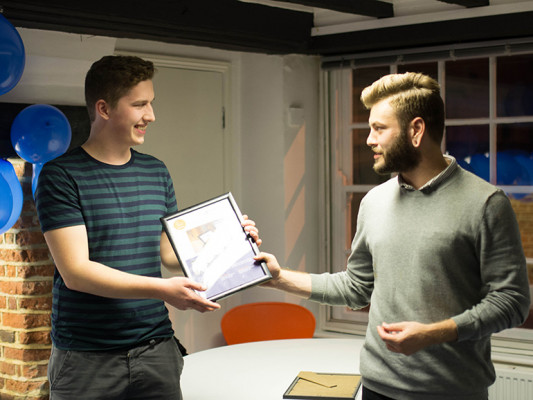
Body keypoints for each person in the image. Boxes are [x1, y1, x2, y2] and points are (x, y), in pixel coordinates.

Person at [256, 72, 531, 400]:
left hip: (452, 392)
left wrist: (434, 333)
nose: (369, 140)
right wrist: (277, 278)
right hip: (376, 388)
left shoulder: (486, 204)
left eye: (379, 128)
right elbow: (356, 288)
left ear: (416, 130)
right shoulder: (373, 202)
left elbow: (512, 302)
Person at [35, 55, 260, 400]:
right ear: (104, 109)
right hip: (86, 360)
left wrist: (233, 240)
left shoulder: (156, 171)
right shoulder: (61, 176)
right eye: (139, 104)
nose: (150, 115)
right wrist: (162, 290)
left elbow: (171, 254)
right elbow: (76, 273)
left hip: (157, 351)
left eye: (150, 103)